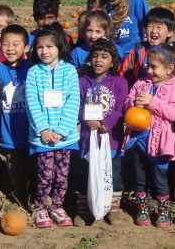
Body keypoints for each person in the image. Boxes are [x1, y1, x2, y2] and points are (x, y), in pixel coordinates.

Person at [123, 42, 175, 228]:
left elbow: (173, 112)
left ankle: (163, 210)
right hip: (137, 139)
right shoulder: (141, 83)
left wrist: (152, 102)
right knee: (140, 177)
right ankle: (142, 207)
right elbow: (127, 101)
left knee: (159, 178)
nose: (149, 70)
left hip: (159, 143)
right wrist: (132, 103)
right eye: (147, 66)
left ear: (169, 69)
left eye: (154, 67)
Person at [25, 23, 80, 228]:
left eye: (49, 47)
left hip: (65, 137)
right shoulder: (33, 73)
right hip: (43, 137)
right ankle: (40, 206)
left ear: (59, 47)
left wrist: (60, 130)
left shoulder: (70, 71)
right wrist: (44, 130)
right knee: (45, 174)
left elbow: (73, 102)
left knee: (62, 175)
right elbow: (32, 104)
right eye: (40, 47)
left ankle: (57, 206)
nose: (44, 51)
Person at [74, 38, 128, 226]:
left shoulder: (120, 82)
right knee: (85, 175)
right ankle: (83, 211)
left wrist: (105, 122)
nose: (98, 60)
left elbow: (119, 109)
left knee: (113, 175)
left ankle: (113, 209)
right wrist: (86, 119)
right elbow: (77, 105)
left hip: (110, 139)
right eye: (95, 56)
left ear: (112, 62)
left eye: (104, 57)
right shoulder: (83, 81)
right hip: (88, 139)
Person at [0, 24, 32, 205]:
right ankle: (19, 196)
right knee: (14, 166)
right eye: (6, 44)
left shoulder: (32, 70)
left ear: (26, 48)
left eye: (16, 44)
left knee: (31, 166)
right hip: (8, 132)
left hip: (30, 131)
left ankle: (33, 195)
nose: (11, 48)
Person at [120, 7, 175, 85]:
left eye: (159, 27)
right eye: (150, 26)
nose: (153, 31)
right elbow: (125, 72)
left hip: (164, 94)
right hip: (139, 91)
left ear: (169, 32)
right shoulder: (138, 50)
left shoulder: (172, 53)